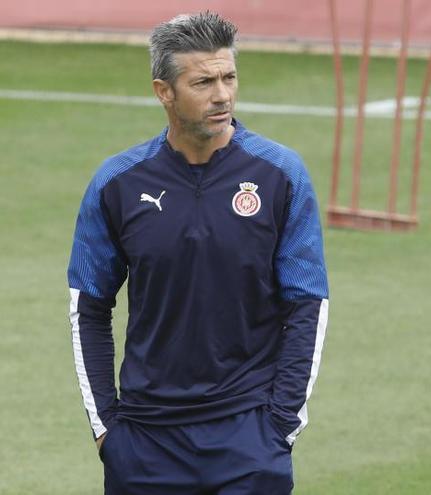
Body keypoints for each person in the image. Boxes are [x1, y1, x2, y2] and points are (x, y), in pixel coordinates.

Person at [67, 11, 328, 494]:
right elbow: (89, 307)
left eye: (229, 77)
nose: (222, 94)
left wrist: (280, 425)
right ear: (163, 91)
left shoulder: (280, 175)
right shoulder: (118, 183)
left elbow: (308, 306)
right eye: (203, 81)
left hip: (249, 436)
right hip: (145, 440)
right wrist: (107, 427)